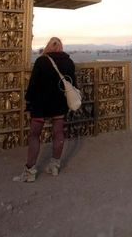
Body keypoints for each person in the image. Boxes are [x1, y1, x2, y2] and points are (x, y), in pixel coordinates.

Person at [13, 37, 77, 182]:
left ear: (48, 46)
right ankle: (54, 165)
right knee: (58, 133)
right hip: (60, 103)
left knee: (34, 135)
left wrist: (28, 102)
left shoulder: (42, 61)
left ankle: (30, 171)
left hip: (41, 104)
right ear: (61, 47)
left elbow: (33, 84)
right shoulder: (69, 62)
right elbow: (73, 83)